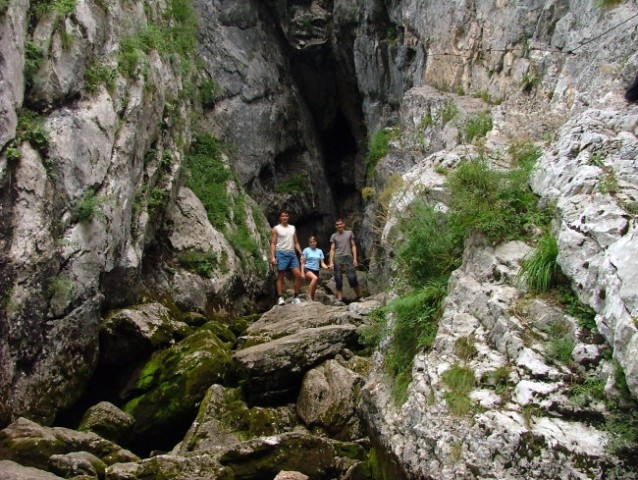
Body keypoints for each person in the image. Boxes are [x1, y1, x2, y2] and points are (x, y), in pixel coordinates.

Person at [270, 210, 303, 305]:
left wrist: (301, 253)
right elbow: (273, 243)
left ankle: (296, 297)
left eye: (286, 216)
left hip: (292, 254)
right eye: (283, 216)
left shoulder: (292, 228)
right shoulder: (276, 229)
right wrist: (273, 257)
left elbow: (296, 242)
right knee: (280, 276)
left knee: (298, 275)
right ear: (280, 218)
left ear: (288, 217)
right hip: (281, 253)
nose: (285, 217)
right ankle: (280, 297)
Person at [328, 218, 361, 303]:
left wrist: (355, 259)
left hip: (348, 257)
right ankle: (340, 299)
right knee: (338, 278)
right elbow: (332, 249)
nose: (339, 226)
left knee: (352, 277)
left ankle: (359, 296)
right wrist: (331, 262)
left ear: (344, 224)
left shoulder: (349, 233)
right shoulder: (334, 236)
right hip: (338, 258)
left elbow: (353, 246)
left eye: (340, 224)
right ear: (336, 226)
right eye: (337, 224)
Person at [301, 236, 329, 302]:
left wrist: (327, 267)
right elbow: (302, 262)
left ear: (316, 242)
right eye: (311, 242)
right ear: (309, 243)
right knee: (315, 278)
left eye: (314, 242)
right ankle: (308, 295)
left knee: (313, 292)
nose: (312, 243)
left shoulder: (319, 251)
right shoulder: (306, 250)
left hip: (316, 270)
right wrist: (302, 272)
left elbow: (322, 263)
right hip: (307, 269)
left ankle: (311, 302)